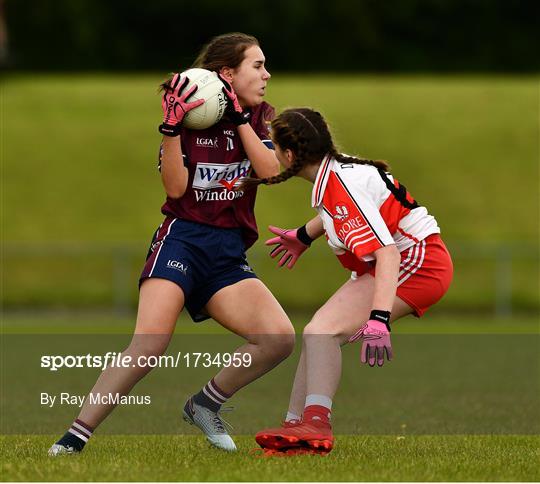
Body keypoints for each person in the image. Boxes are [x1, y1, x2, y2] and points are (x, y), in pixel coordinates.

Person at [48, 32, 295, 455]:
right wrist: (170, 129)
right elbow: (177, 189)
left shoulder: (257, 118)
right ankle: (73, 439)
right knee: (149, 344)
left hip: (227, 252)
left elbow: (271, 172)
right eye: (257, 66)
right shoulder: (186, 118)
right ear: (226, 74)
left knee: (278, 338)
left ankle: (204, 404)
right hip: (182, 242)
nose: (266, 74)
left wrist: (238, 121)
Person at [244, 107, 453, 455]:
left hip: (418, 262)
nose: (272, 151)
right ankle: (294, 431)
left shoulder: (341, 185)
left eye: (274, 146)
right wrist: (304, 235)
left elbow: (387, 252)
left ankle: (316, 424)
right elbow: (339, 211)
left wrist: (379, 319)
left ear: (290, 155)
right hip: (404, 259)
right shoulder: (336, 172)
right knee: (318, 332)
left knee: (322, 331)